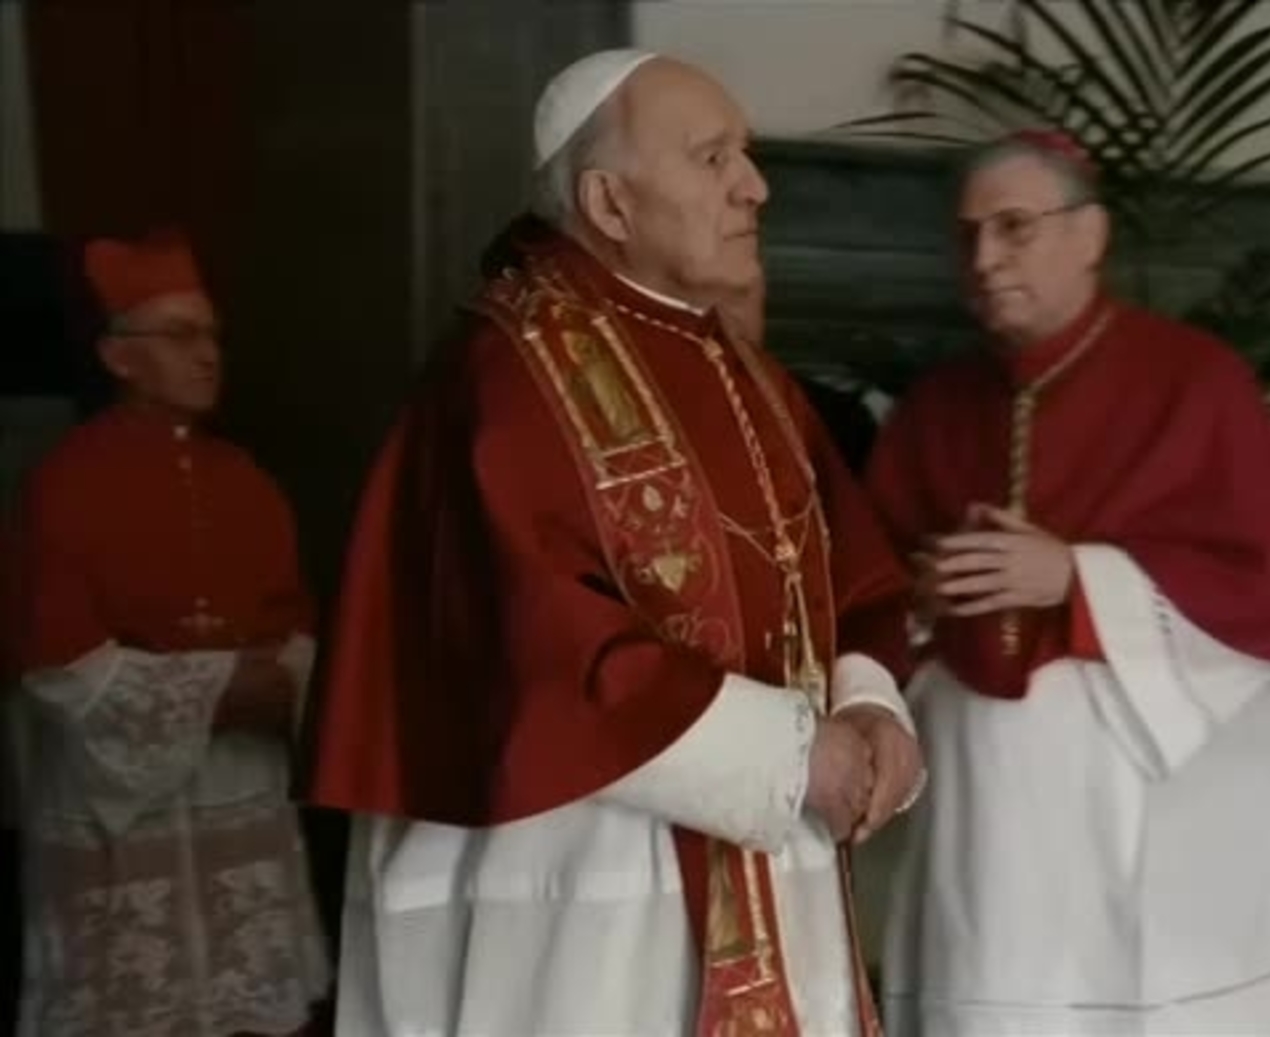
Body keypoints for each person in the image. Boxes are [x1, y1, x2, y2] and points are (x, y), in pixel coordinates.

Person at [302, 51, 922, 1037]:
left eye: (746, 154)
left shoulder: (747, 374)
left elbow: (853, 580)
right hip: (587, 888)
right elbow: (540, 648)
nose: (754, 186)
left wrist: (871, 705)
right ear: (609, 203)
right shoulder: (506, 376)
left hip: (774, 861)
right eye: (712, 157)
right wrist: (797, 757)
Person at [866, 130, 1270, 1036]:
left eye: (1013, 227)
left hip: (1151, 786)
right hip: (991, 794)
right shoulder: (936, 406)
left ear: (1089, 235)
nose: (984, 258)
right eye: (968, 235)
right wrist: (924, 597)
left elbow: (1264, 592)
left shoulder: (1196, 381)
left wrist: (1075, 576)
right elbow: (873, 591)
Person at [5, 229, 331, 1037]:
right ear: (118, 356)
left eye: (213, 335)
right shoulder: (63, 484)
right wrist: (216, 693)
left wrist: (285, 678)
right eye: (181, 335)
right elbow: (59, 665)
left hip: (236, 785)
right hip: (120, 800)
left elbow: (295, 622)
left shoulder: (247, 480)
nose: (208, 354)